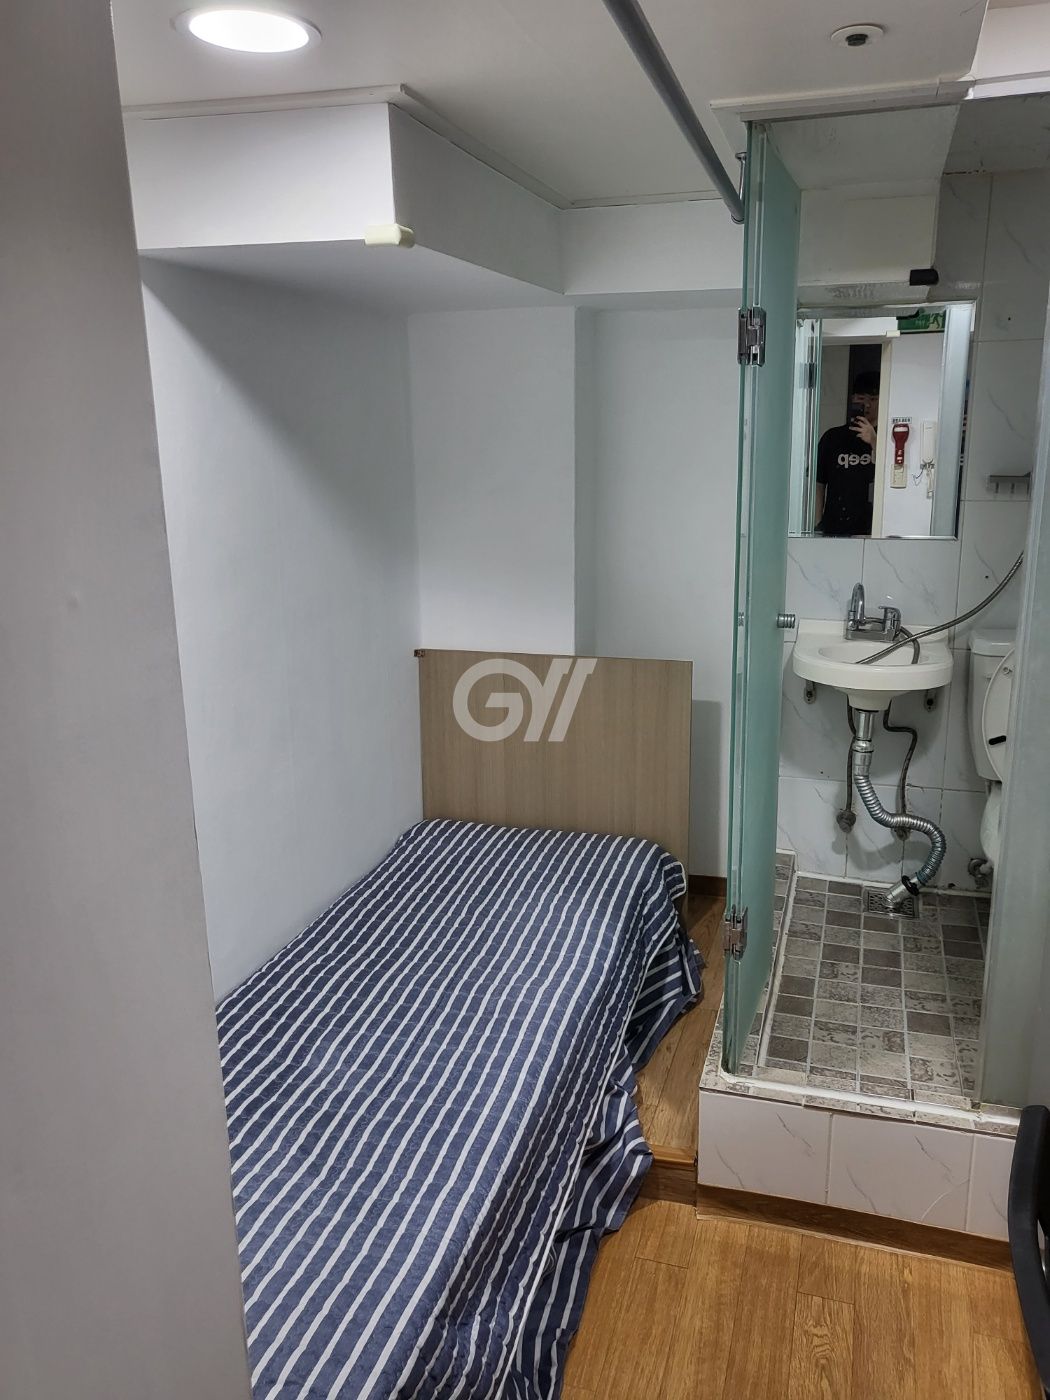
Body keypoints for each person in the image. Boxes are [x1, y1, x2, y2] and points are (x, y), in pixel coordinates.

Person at [815, 369, 879, 536]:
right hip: (833, 527)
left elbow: (888, 477)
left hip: (871, 529)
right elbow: (819, 484)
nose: (867, 405)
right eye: (861, 399)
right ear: (853, 399)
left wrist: (874, 441)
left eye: (873, 399)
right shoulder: (832, 437)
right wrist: (817, 524)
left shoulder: (886, 440)